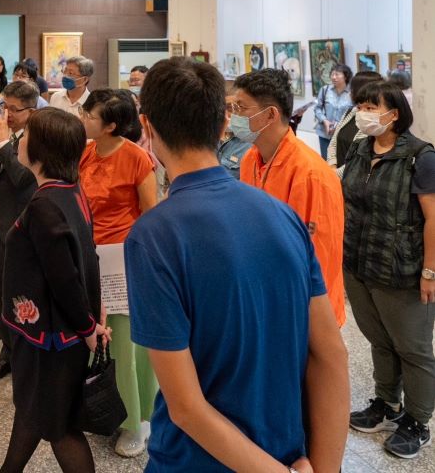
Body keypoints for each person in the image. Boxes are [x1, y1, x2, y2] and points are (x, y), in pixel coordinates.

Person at [126, 57, 349, 472]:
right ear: (223, 123)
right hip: (285, 450)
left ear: (147, 126)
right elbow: (331, 355)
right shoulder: (283, 216)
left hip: (196, 462)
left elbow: (186, 408)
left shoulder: (154, 235)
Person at [0, 107, 108, 473]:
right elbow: (87, 256)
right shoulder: (69, 191)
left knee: (59, 425)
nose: (20, 140)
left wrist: (88, 326)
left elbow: (64, 278)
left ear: (41, 149)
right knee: (35, 409)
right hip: (60, 331)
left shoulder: (45, 206)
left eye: (26, 134)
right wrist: (93, 315)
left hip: (51, 337)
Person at [341, 80, 435, 459]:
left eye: (371, 106)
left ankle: (417, 421)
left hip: (403, 269)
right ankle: (387, 404)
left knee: (412, 348)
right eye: (360, 106)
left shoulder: (420, 157)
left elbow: (434, 219)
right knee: (379, 340)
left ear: (393, 114)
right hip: (360, 262)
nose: (362, 113)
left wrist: (430, 271)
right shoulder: (360, 148)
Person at [78, 89, 158, 458]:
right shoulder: (87, 152)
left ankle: (136, 421)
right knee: (101, 341)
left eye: (90, 115)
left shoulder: (137, 158)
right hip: (91, 257)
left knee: (124, 343)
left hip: (123, 260)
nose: (83, 119)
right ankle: (110, 408)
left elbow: (151, 216)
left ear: (111, 125)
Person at [234, 69, 347, 327]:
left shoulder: (311, 174)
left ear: (270, 114)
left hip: (306, 312)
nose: (234, 116)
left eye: (241, 107)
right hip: (265, 299)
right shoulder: (250, 159)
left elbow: (320, 259)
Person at [0, 81, 38, 382]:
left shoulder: (38, 139)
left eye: (15, 109)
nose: (7, 114)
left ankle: (26, 355)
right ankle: (7, 351)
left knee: (21, 297)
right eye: (5, 106)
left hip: (20, 229)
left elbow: (23, 179)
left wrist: (4, 145)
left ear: (32, 111)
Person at [326, 71, 381, 178]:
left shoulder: (374, 120)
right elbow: (333, 142)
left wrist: (334, 175)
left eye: (352, 88)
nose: (350, 92)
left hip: (354, 179)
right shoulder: (351, 111)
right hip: (336, 178)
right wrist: (332, 167)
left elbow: (359, 159)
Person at [314, 64, 354, 158]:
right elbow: (317, 108)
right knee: (326, 161)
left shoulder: (352, 93)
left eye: (337, 74)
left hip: (344, 135)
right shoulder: (325, 90)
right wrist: (324, 120)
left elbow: (355, 113)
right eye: (332, 74)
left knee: (342, 161)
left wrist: (340, 126)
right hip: (325, 134)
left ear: (346, 76)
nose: (333, 77)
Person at [217, 93, 252, 180]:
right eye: (223, 108)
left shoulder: (250, 146)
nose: (226, 114)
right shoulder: (210, 138)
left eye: (233, 108)